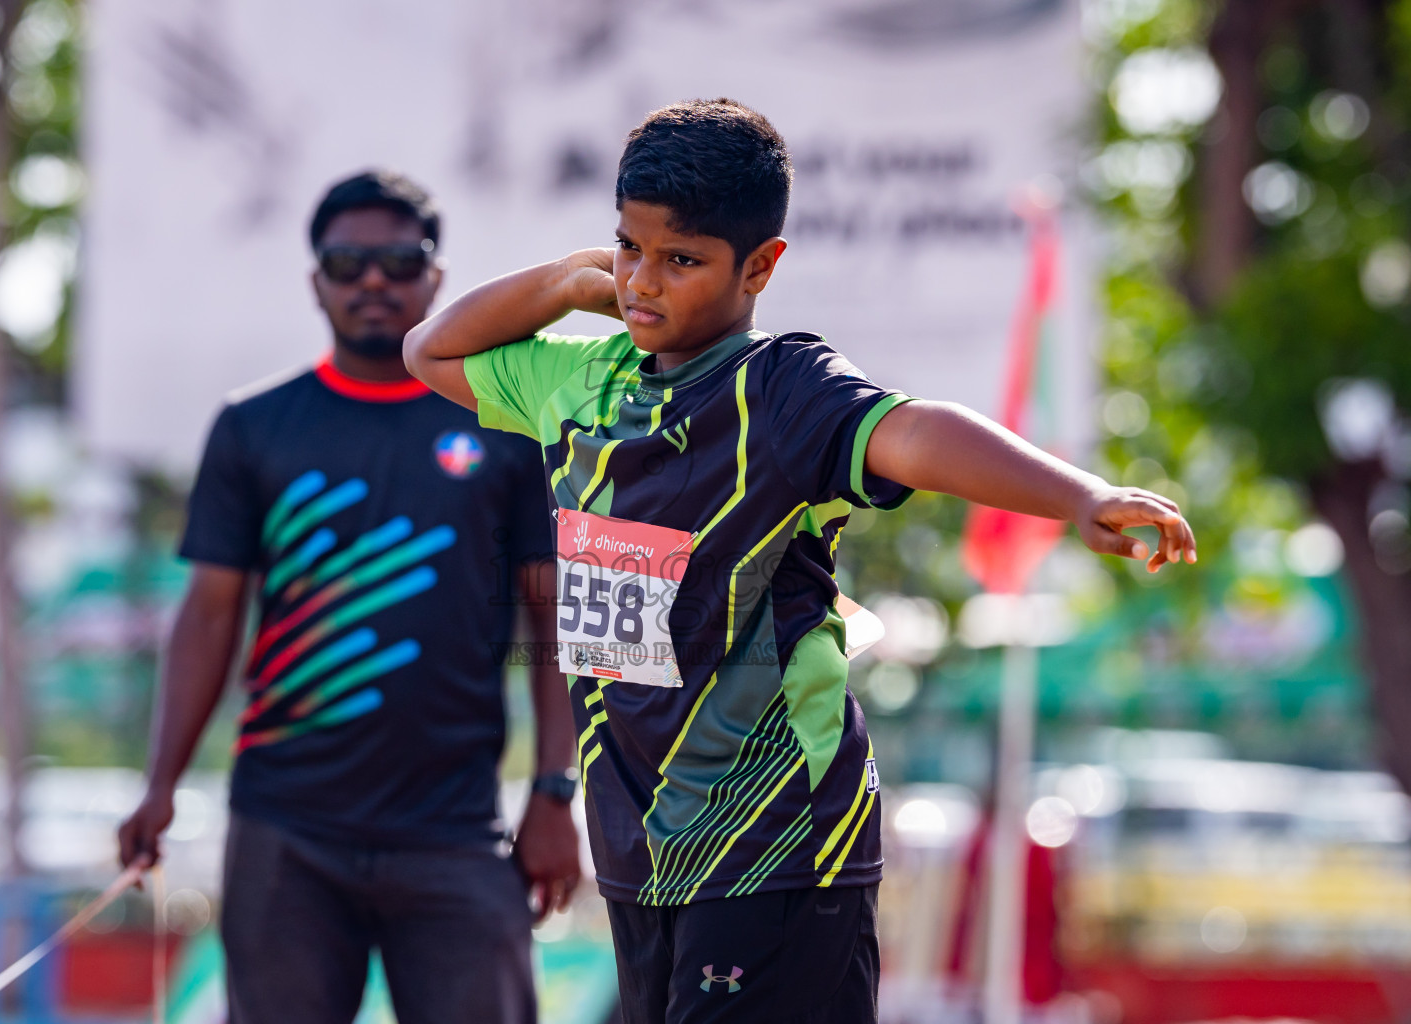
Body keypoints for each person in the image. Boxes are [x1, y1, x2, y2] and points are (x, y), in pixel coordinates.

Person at [402, 99, 1196, 1024]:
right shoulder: (583, 380)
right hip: (640, 856)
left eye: (682, 260)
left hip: (773, 846)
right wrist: (564, 281)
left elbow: (918, 431)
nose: (642, 283)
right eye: (628, 249)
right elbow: (431, 350)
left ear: (761, 267)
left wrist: (1077, 497)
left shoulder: (781, 390)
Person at [117, 170, 580, 1024]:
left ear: (436, 278)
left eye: (400, 261)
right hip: (286, 831)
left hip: (456, 829)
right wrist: (160, 783)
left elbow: (554, 617)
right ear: (315, 280)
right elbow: (210, 614)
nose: (375, 280)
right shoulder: (254, 426)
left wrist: (555, 794)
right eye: (349, 261)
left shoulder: (507, 427)